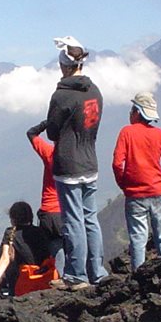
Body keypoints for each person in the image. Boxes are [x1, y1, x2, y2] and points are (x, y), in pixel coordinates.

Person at [44, 36, 107, 289]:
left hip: (68, 166)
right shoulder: (95, 92)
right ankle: (97, 272)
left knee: (73, 221)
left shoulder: (62, 96)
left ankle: (76, 276)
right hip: (90, 163)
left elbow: (52, 132)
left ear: (64, 66)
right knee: (90, 218)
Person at [112, 91, 161, 270]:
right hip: (158, 192)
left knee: (138, 238)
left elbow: (117, 163)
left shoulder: (126, 132)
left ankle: (139, 278)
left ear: (137, 112)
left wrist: (123, 184)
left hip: (135, 195)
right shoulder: (159, 134)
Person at [0, 201, 56, 297]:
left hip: (21, 284)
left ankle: (8, 287)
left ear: (12, 218)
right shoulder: (41, 231)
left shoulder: (10, 233)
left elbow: (5, 259)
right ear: (31, 216)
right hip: (43, 280)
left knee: (2, 249)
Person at [25, 120, 64, 267]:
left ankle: (59, 277)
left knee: (54, 249)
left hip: (49, 212)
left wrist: (49, 121)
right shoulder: (76, 159)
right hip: (67, 211)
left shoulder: (50, 154)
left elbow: (31, 133)